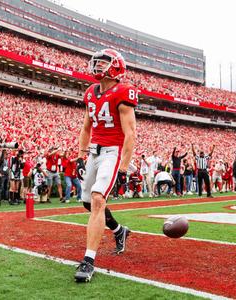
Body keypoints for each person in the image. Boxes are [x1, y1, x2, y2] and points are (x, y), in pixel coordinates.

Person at [74, 49, 137, 282]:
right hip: (94, 152)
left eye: (103, 63)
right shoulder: (91, 92)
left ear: (116, 66)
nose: (97, 66)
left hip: (113, 152)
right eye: (97, 63)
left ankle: (88, 261)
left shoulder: (123, 91)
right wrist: (81, 155)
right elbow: (86, 127)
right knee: (87, 202)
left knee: (99, 199)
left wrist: (123, 168)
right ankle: (120, 231)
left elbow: (130, 134)